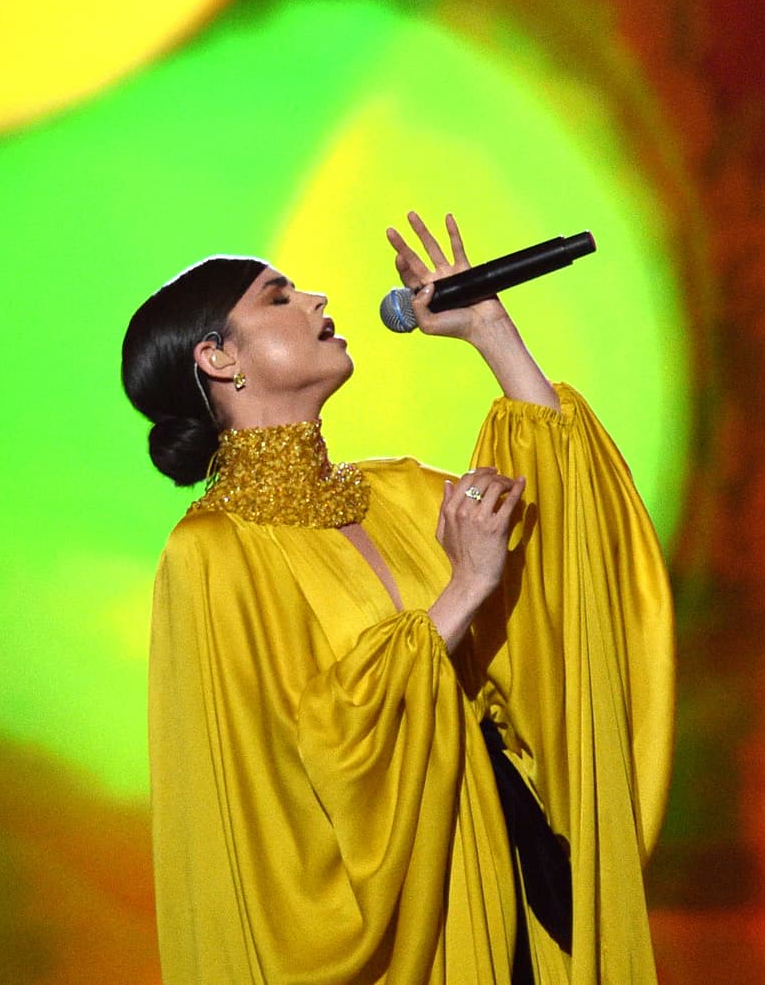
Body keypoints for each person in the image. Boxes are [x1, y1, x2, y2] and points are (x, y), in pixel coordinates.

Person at [122, 210, 674, 985]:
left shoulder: (396, 494)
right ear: (218, 358)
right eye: (278, 298)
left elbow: (567, 549)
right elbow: (313, 744)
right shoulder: (213, 551)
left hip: (510, 873)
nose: (315, 300)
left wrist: (491, 332)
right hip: (407, 914)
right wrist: (465, 588)